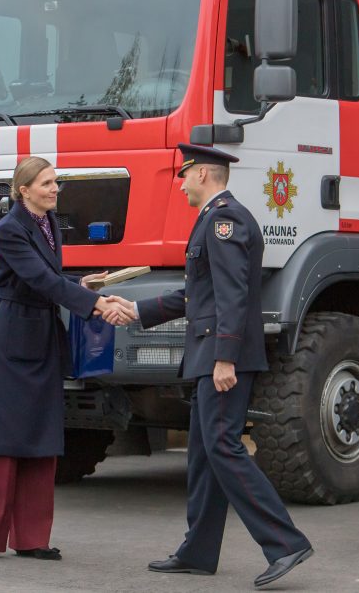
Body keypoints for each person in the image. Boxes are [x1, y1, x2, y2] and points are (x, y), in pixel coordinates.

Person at [104, 144, 312, 587]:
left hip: (221, 357)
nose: (180, 184)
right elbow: (195, 296)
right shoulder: (212, 220)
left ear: (202, 174)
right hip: (208, 355)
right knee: (203, 452)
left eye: (184, 175)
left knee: (223, 446)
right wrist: (136, 310)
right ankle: (198, 550)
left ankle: (286, 542)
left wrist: (225, 357)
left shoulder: (225, 220)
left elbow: (234, 294)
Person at [0, 156, 130, 563]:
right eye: (47, 183)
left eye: (56, 182)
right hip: (11, 339)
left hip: (42, 336)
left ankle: (32, 538)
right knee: (0, 441)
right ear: (24, 190)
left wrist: (79, 284)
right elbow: (38, 279)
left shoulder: (49, 223)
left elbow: (47, 279)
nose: (55, 189)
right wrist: (94, 302)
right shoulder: (9, 229)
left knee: (42, 437)